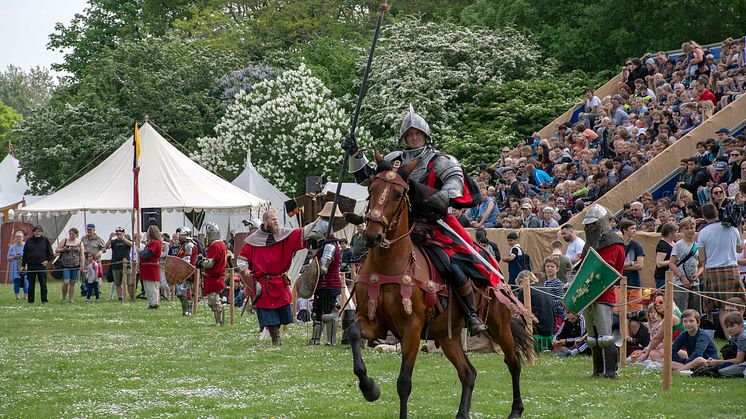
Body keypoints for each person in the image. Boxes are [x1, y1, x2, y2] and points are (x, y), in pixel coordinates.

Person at [342, 104, 493, 335]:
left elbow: (455, 184)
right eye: (409, 134)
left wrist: (439, 197)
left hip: (432, 224)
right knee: (367, 255)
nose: (414, 138)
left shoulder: (440, 160)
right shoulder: (394, 160)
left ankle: (471, 314)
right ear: (404, 137)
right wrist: (355, 156)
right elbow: (367, 179)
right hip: (395, 224)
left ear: (425, 135)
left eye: (417, 134)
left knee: (451, 265)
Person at [237, 210, 329, 345]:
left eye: (276, 219)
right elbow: (242, 258)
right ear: (265, 222)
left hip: (280, 281)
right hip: (264, 283)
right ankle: (275, 338)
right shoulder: (253, 241)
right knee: (268, 313)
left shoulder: (284, 235)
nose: (276, 221)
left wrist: (317, 222)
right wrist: (244, 269)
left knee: (282, 312)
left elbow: (302, 232)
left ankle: (274, 333)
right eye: (273, 219)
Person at [581, 204, 626, 379]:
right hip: (586, 294)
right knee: (592, 338)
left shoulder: (614, 244)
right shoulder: (589, 245)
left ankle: (610, 371)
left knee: (605, 336)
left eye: (593, 224)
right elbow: (584, 268)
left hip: (603, 293)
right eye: (588, 225)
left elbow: (608, 271)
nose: (590, 228)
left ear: (602, 223)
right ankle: (597, 370)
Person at [697, 203, 743, 317]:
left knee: (722, 307)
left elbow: (702, 258)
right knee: (736, 303)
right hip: (732, 270)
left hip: (713, 272)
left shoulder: (703, 232)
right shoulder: (733, 229)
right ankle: (737, 331)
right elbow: (739, 249)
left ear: (704, 216)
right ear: (717, 213)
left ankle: (727, 334)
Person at [309, 202, 344, 346]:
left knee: (328, 314)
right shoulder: (324, 245)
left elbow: (323, 268)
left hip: (329, 284)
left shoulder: (329, 246)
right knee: (317, 313)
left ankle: (330, 341)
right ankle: (316, 339)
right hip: (322, 285)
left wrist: (310, 269)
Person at [669, 217, 703, 313]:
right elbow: (672, 263)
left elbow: (701, 265)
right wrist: (682, 277)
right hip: (680, 283)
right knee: (680, 311)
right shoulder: (678, 245)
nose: (689, 231)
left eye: (691, 228)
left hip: (694, 282)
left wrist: (698, 274)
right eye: (686, 228)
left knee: (695, 311)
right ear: (682, 230)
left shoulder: (698, 246)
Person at [196, 222, 227, 326]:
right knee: (212, 300)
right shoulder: (221, 244)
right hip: (215, 276)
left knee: (214, 300)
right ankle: (218, 321)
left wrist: (200, 262)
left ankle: (220, 322)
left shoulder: (215, 246)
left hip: (214, 277)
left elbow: (210, 264)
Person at [702, 312, 746, 378]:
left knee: (719, 372)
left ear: (741, 325)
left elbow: (738, 360)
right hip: (740, 363)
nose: (729, 329)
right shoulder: (734, 336)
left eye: (732, 326)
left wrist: (717, 362)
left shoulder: (742, 337)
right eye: (727, 327)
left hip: (743, 364)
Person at [515, 271, 555, 337]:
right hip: (551, 328)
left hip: (538, 329)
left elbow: (520, 312)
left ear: (521, 281)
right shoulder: (545, 288)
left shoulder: (523, 292)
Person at [22, 226, 53, 304]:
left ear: (42, 232)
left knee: (43, 284)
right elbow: (25, 254)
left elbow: (51, 253)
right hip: (31, 265)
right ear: (33, 232)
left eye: (39, 231)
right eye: (36, 231)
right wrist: (23, 265)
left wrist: (47, 261)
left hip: (41, 265)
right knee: (31, 284)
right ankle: (30, 301)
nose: (38, 233)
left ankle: (44, 300)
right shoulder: (29, 241)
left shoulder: (45, 240)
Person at [620, 219, 644, 311]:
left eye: (635, 228)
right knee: (619, 313)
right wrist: (630, 263)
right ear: (624, 230)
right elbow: (614, 266)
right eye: (632, 228)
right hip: (619, 283)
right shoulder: (618, 245)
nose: (634, 230)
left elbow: (640, 266)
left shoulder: (637, 246)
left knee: (635, 313)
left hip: (634, 283)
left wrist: (622, 266)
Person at [104, 227, 134, 301]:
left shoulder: (126, 240)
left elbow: (132, 245)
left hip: (126, 264)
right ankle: (120, 297)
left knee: (129, 282)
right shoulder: (113, 241)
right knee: (118, 283)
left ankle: (132, 297)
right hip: (115, 264)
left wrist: (123, 238)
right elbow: (106, 247)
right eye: (117, 232)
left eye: (120, 232)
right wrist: (110, 238)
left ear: (124, 233)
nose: (119, 233)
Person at [56, 228, 85, 303]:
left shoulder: (80, 242)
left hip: (75, 265)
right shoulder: (65, 241)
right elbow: (57, 250)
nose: (71, 235)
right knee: (66, 282)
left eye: (73, 234)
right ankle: (63, 297)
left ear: (76, 234)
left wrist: (82, 265)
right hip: (66, 265)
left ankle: (71, 299)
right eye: (70, 234)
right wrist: (64, 249)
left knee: (72, 283)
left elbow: (81, 255)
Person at [174, 227, 199, 315]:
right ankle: (186, 311)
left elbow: (187, 260)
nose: (179, 237)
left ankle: (187, 311)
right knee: (184, 291)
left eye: (181, 235)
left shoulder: (189, 245)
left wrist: (182, 270)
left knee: (182, 291)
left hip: (186, 271)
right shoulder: (185, 245)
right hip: (184, 270)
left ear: (186, 236)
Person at [139, 225, 163, 309]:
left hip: (151, 267)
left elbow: (148, 254)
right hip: (147, 268)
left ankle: (154, 304)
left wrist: (141, 252)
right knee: (147, 287)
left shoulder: (155, 243)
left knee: (152, 287)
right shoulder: (150, 243)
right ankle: (151, 303)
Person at [542, 257, 566, 332]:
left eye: (552, 266)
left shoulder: (558, 283)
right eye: (547, 266)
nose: (549, 268)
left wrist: (547, 303)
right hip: (548, 314)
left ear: (557, 269)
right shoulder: (545, 283)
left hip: (557, 316)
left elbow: (561, 301)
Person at [82, 223, 106, 292]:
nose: (89, 231)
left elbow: (104, 248)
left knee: (96, 276)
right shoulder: (83, 238)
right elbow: (81, 247)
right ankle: (86, 289)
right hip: (87, 261)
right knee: (87, 275)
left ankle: (97, 290)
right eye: (88, 229)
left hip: (96, 261)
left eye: (90, 229)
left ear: (94, 230)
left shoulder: (98, 239)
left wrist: (100, 252)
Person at [654, 222, 678, 289]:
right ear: (670, 234)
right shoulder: (663, 245)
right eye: (676, 232)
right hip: (662, 277)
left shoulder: (674, 243)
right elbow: (659, 263)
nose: (677, 235)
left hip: (673, 276)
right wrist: (674, 261)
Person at [7, 231, 27, 300]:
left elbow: (30, 256)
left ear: (23, 237)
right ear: (15, 238)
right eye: (17, 237)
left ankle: (26, 297)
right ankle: (17, 297)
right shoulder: (12, 247)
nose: (19, 238)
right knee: (16, 282)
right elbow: (8, 258)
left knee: (26, 281)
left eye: (20, 237)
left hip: (24, 266)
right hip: (15, 267)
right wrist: (13, 257)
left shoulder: (26, 245)